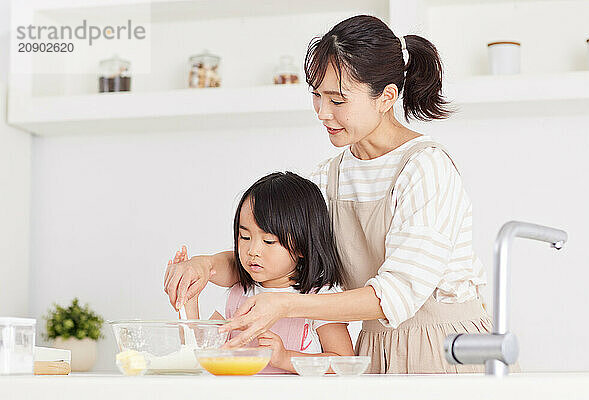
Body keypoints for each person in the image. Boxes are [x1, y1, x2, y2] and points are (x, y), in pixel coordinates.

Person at [164, 15, 491, 374]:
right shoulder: (327, 177)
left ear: (386, 97)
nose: (322, 112)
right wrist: (206, 266)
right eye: (316, 96)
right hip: (374, 348)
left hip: (444, 346)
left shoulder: (426, 168)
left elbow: (396, 296)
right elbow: (281, 252)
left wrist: (287, 307)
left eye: (337, 99)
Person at [166, 172, 354, 374]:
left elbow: (344, 361)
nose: (252, 250)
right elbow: (201, 353)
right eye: (245, 237)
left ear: (301, 246)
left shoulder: (320, 297)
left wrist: (285, 358)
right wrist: (189, 299)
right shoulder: (238, 294)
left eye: (269, 241)